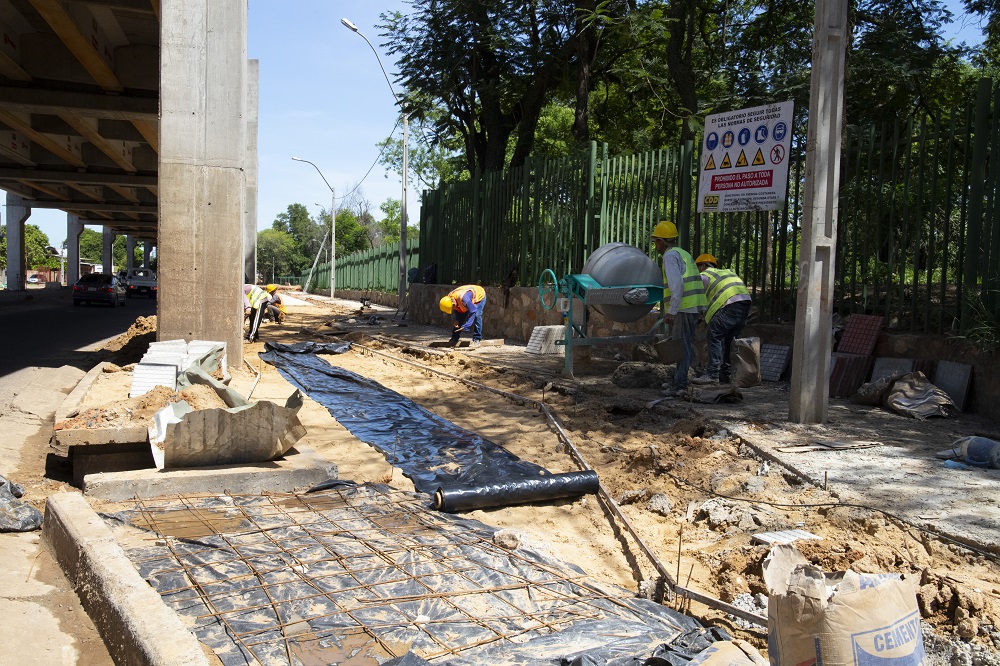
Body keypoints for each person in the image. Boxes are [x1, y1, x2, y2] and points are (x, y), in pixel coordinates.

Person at [651, 221, 707, 396]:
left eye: (656, 241)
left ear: (661, 241)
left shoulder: (669, 256)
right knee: (684, 344)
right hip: (693, 306)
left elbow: (677, 286)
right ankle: (679, 380)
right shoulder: (682, 253)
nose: (655, 245)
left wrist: (671, 311)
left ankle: (680, 385)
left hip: (684, 307)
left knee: (680, 346)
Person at [691, 254, 752, 385]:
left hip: (729, 306)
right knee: (729, 341)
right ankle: (725, 374)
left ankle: (712, 374)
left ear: (703, 265)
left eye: (697, 267)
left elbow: (694, 296)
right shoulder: (726, 273)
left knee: (714, 337)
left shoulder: (705, 275)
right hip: (745, 304)